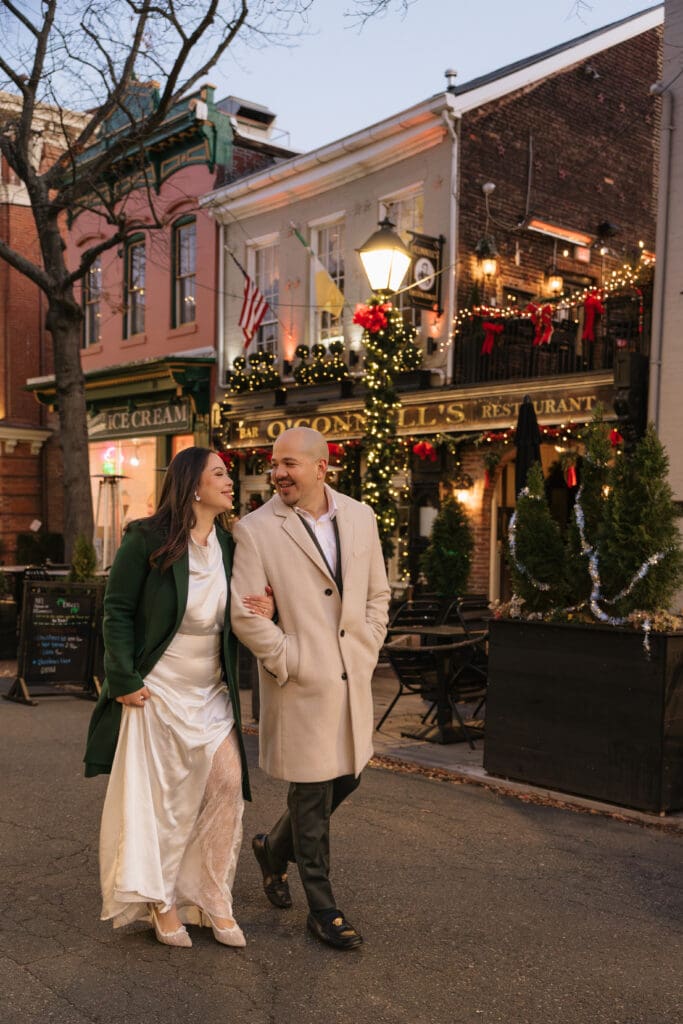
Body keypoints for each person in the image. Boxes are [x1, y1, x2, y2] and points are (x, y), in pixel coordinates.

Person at [84, 447, 273, 948]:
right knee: (160, 804)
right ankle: (161, 900)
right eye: (220, 473)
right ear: (193, 485)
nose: (230, 480)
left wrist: (264, 604)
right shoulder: (146, 539)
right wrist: (123, 679)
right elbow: (117, 611)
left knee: (226, 788)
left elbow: (245, 605)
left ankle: (212, 898)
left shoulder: (232, 546)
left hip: (211, 694)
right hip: (157, 692)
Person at [231, 427, 390, 950]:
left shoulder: (361, 517)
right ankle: (322, 908)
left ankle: (272, 850)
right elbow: (246, 615)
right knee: (311, 793)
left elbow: (377, 595)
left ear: (322, 468)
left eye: (290, 464)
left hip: (351, 679)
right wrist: (289, 659)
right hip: (299, 683)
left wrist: (366, 647)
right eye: (274, 464)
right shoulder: (255, 529)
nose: (277, 473)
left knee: (348, 777)